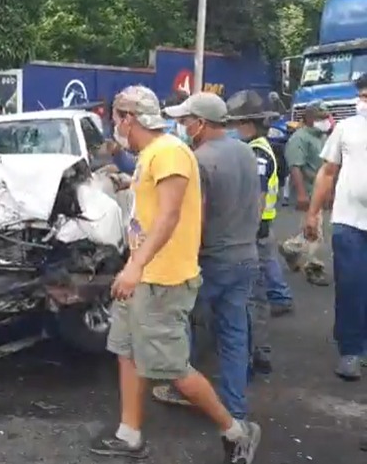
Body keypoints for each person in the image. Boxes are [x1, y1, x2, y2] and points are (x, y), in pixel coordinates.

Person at [91, 86, 260, 464]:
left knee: (171, 367)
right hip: (144, 274)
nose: (114, 128)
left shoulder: (169, 153)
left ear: (127, 118)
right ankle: (129, 434)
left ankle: (236, 431)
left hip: (161, 280)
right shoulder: (154, 154)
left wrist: (135, 266)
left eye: (115, 120)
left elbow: (169, 216)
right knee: (127, 351)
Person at [223, 90, 292, 375]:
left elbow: (258, 198)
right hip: (259, 232)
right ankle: (258, 352)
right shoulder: (259, 148)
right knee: (256, 296)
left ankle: (254, 355)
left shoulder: (257, 153)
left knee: (252, 298)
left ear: (246, 124)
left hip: (255, 235)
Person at [304, 74, 367, 381]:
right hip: (349, 221)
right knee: (351, 286)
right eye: (363, 96)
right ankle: (351, 351)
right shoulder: (346, 128)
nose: (363, 102)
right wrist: (313, 213)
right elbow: (327, 172)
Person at [280, 100, 333, 286]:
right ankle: (314, 268)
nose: (325, 121)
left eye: (326, 117)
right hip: (308, 190)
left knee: (313, 229)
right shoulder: (299, 138)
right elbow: (296, 167)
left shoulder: (321, 136)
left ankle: (290, 248)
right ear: (309, 118)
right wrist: (301, 194)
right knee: (315, 231)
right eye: (320, 118)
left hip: (319, 189)